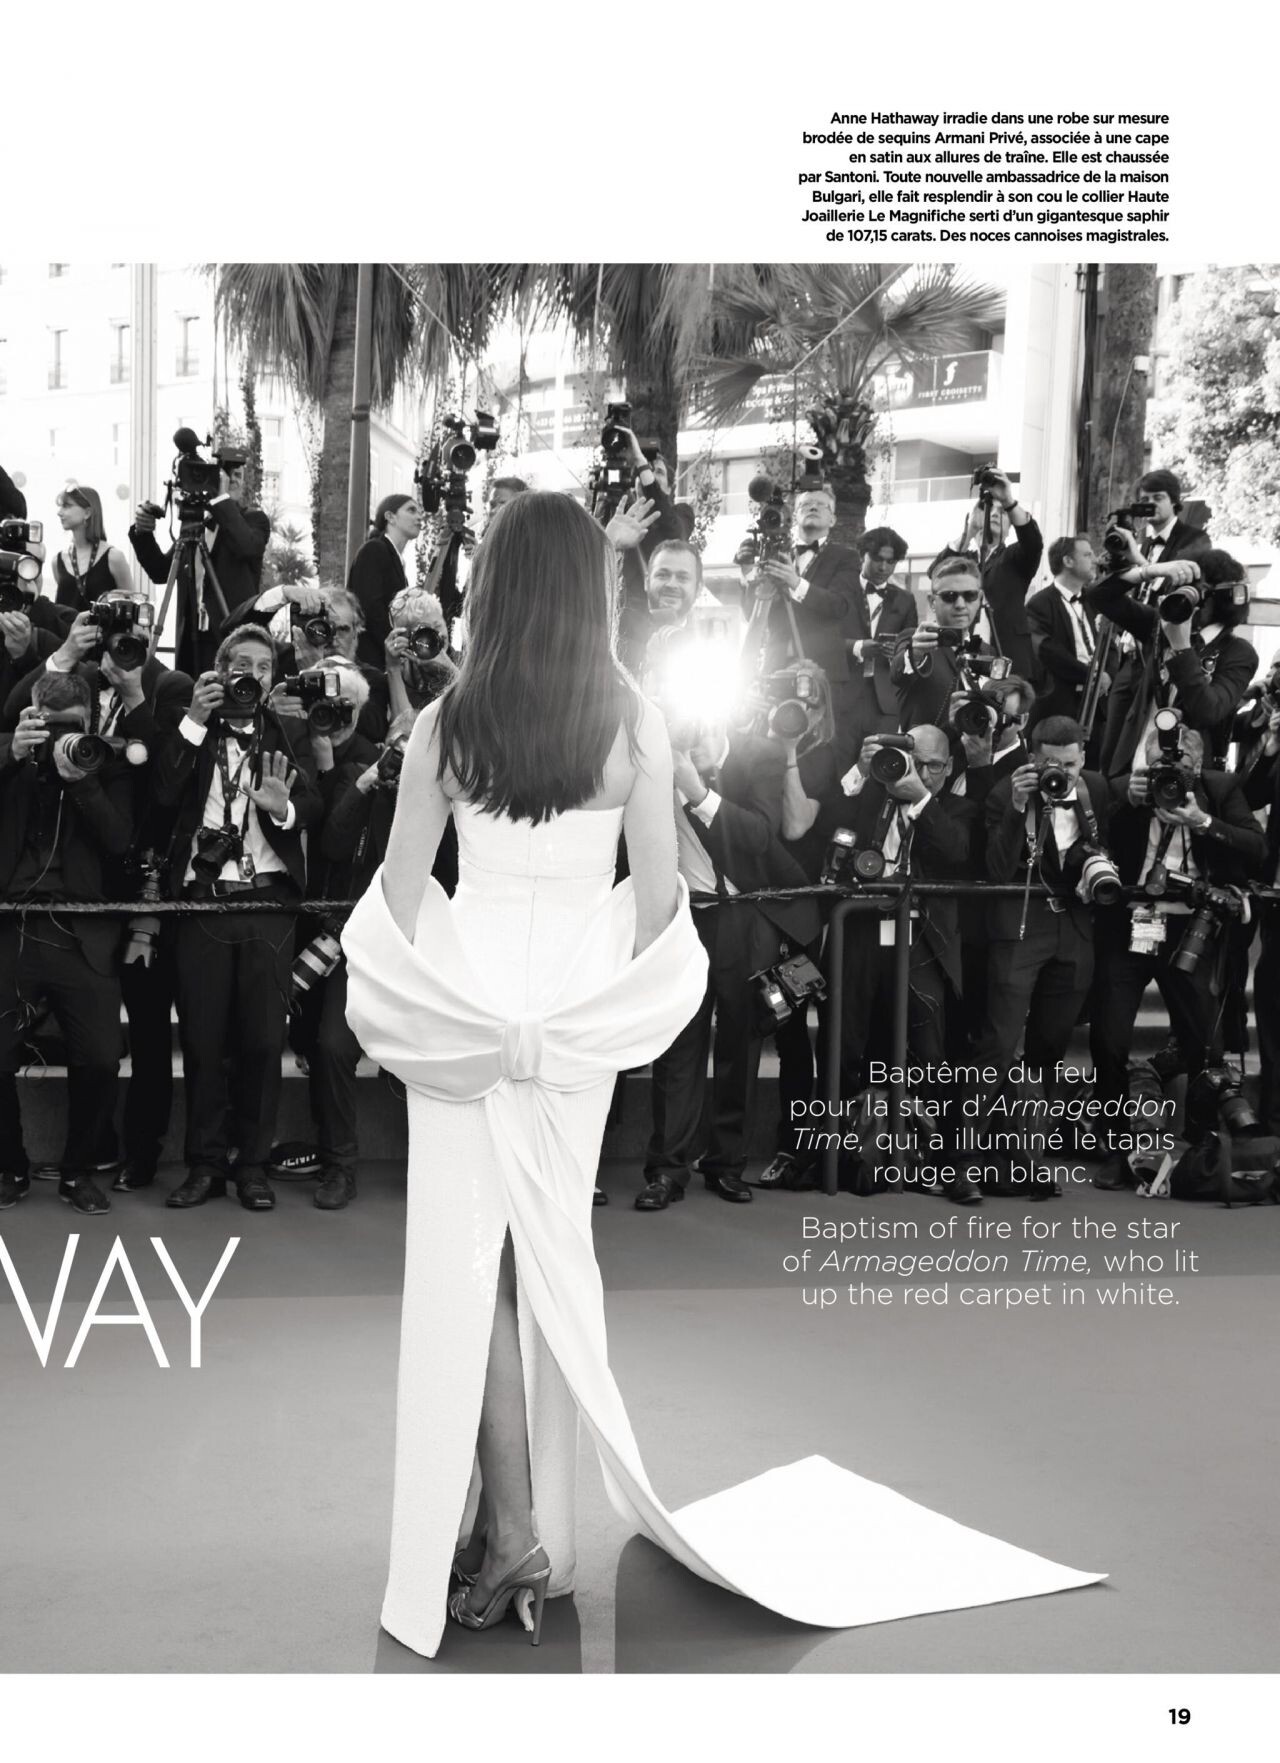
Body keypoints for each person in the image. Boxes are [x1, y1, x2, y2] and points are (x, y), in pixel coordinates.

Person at [340, 490, 1101, 1660]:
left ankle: (509, 1529)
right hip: (575, 1019)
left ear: (491, 588)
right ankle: (509, 1524)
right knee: (546, 1257)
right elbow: (657, 905)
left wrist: (395, 1016)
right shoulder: (632, 718)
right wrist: (605, 1015)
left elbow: (399, 893)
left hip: (467, 1011)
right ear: (585, 592)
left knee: (464, 1270)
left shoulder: (447, 721)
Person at [151, 626, 320, 1212]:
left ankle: (252, 1166)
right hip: (203, 901)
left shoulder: (287, 730)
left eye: (263, 666)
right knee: (201, 1041)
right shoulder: (193, 726)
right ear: (221, 671)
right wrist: (195, 720)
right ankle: (204, 1166)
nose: (252, 673)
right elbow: (162, 794)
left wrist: (285, 807)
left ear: (272, 678)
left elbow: (314, 803)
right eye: (241, 663)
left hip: (268, 905)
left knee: (263, 1042)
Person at [129, 450, 270, 676]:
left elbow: (247, 546)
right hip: (191, 638)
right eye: (226, 475)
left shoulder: (254, 519)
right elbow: (160, 572)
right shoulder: (194, 526)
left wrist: (220, 499)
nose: (233, 480)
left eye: (238, 475)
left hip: (231, 636)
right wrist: (142, 532)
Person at [929, 470, 1042, 683]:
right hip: (963, 656)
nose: (996, 514)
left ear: (1010, 525)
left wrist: (1008, 501)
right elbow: (936, 573)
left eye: (1003, 512)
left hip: (1007, 654)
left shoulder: (1014, 557)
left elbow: (1033, 542)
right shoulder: (964, 560)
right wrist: (970, 529)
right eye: (990, 510)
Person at [840, 525, 918, 762]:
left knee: (879, 768)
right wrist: (857, 647)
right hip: (842, 698)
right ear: (862, 555)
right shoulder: (839, 592)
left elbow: (911, 650)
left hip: (885, 703)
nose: (883, 567)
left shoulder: (906, 600)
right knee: (838, 769)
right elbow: (822, 641)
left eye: (891, 562)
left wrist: (899, 653)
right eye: (877, 559)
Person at [892, 558, 997, 728]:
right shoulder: (914, 640)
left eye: (970, 596)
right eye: (949, 596)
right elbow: (898, 672)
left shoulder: (987, 651)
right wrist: (915, 654)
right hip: (925, 744)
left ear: (980, 599)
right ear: (932, 602)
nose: (960, 605)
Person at [1027, 536, 1103, 726]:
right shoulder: (1039, 603)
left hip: (1099, 702)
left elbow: (1109, 641)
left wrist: (1107, 672)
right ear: (1068, 561)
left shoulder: (1095, 600)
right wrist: (1091, 675)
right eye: (1087, 555)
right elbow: (1048, 651)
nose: (1095, 560)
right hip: (1061, 703)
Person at [347, 494, 423, 668]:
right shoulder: (374, 549)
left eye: (420, 512)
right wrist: (398, 650)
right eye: (411, 510)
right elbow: (369, 608)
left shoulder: (394, 558)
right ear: (390, 517)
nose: (419, 517)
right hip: (371, 662)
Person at [51, 486, 134, 613]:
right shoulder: (58, 561)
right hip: (69, 627)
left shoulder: (114, 557)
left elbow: (131, 606)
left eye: (67, 506)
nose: (59, 512)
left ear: (87, 513)